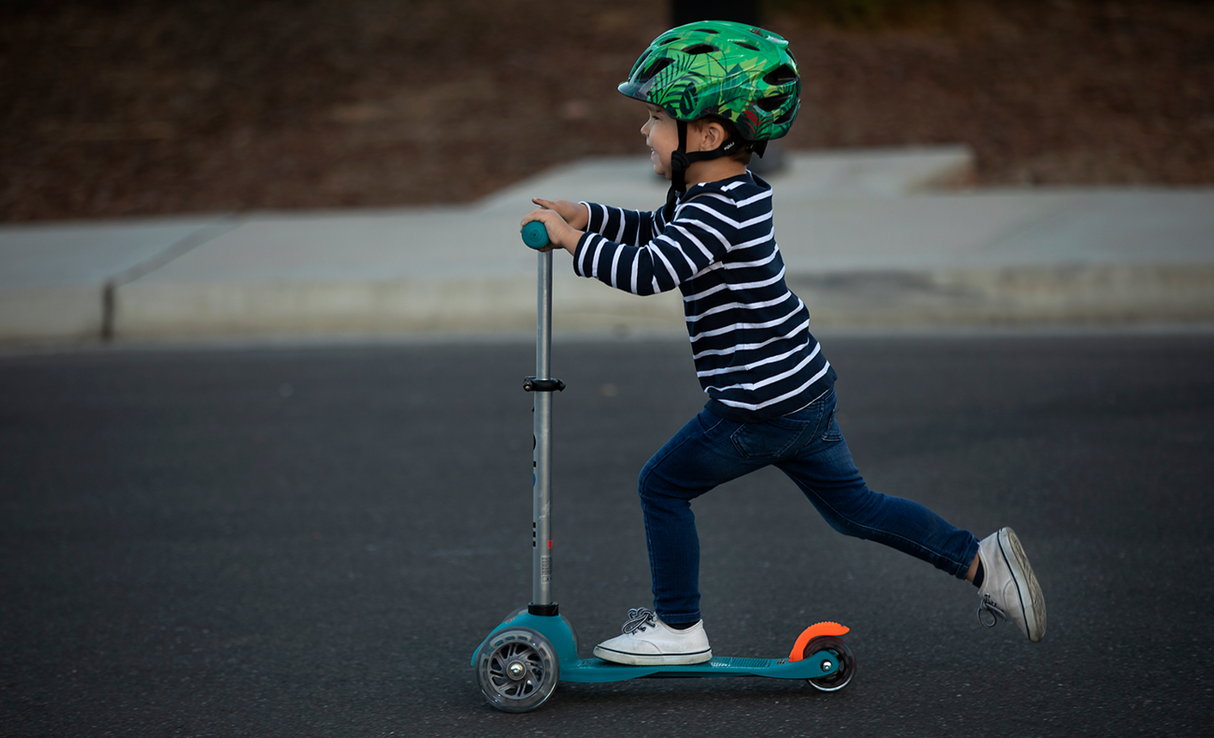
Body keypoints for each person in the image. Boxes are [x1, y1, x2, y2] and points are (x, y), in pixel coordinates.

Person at [521, 20, 1046, 666]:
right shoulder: (721, 196)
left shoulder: (713, 210)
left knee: (661, 485)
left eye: (657, 116)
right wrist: (590, 215)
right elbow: (655, 232)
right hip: (800, 391)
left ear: (708, 134)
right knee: (854, 508)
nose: (644, 130)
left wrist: (571, 242)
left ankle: (678, 629)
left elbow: (649, 270)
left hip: (758, 406)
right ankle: (980, 560)